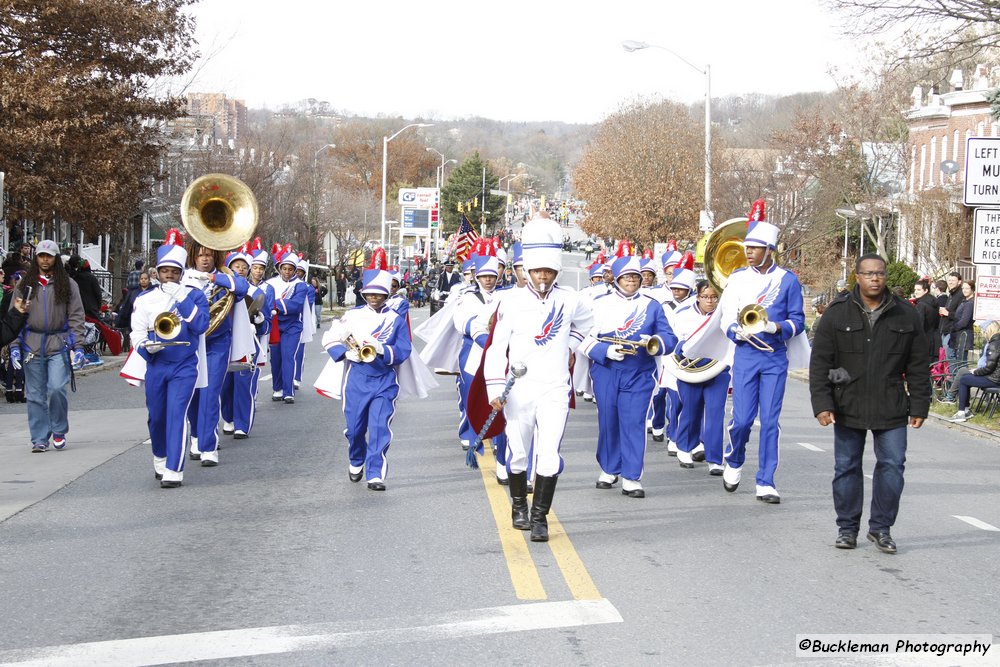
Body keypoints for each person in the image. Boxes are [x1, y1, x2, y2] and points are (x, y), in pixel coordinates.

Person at [482, 216, 594, 541]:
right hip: (519, 391)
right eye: (537, 270)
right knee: (517, 453)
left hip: (555, 388)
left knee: (548, 454)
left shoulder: (571, 299)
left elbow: (586, 327)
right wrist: (493, 387)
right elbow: (495, 348)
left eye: (549, 271)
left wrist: (571, 347)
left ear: (556, 271)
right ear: (527, 270)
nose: (543, 276)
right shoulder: (510, 301)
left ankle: (540, 516)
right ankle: (518, 504)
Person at [810, 253, 929, 554]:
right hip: (847, 405)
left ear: (886, 277)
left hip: (891, 405)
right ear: (857, 277)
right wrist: (822, 404)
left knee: (892, 467)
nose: (875, 279)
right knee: (846, 467)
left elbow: (917, 364)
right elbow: (820, 362)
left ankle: (881, 529)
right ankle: (847, 529)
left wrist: (919, 405)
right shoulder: (837, 313)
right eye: (868, 274)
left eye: (880, 274)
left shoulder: (906, 314)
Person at [710, 200, 806, 504]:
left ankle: (766, 480)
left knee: (770, 420)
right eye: (747, 247)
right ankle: (734, 458)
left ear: (770, 250)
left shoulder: (787, 280)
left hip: (774, 357)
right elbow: (725, 316)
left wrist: (774, 328)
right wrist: (733, 331)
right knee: (741, 420)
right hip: (745, 355)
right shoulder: (737, 278)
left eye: (755, 247)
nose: (748, 252)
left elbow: (798, 321)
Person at [582, 255, 673, 498]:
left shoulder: (653, 305)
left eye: (636, 276)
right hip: (607, 370)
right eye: (626, 277)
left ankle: (632, 476)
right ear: (617, 279)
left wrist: (654, 342)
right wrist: (605, 351)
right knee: (608, 420)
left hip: (639, 372)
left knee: (634, 422)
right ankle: (610, 468)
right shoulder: (598, 303)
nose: (632, 280)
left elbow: (669, 338)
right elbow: (582, 337)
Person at [127, 230, 210, 487]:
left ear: (182, 272)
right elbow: (137, 332)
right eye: (165, 272)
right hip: (156, 363)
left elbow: (201, 326)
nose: (170, 276)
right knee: (157, 416)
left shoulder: (194, 295)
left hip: (185, 364)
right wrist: (144, 348)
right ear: (158, 273)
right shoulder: (146, 298)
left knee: (177, 413)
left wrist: (181, 298)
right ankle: (160, 456)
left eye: (174, 272)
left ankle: (174, 469)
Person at [321, 268, 412, 491]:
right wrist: (345, 353)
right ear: (364, 294)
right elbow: (330, 337)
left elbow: (403, 350)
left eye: (379, 294)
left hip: (384, 379)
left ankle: (375, 474)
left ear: (385, 295)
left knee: (380, 427)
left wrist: (382, 348)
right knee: (354, 429)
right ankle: (356, 458)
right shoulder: (352, 315)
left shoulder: (395, 320)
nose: (374, 297)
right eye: (370, 293)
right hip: (357, 378)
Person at [9, 240, 86, 452]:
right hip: (31, 344)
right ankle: (39, 438)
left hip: (58, 344)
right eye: (41, 255)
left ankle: (59, 429)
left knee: (57, 389)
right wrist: (14, 345)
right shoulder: (25, 284)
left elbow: (77, 316)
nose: (45, 259)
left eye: (49, 256)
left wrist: (78, 346)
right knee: (34, 395)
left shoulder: (68, 284)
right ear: (36, 257)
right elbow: (14, 316)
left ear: (56, 258)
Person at [184, 238, 250, 466]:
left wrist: (212, 277)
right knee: (192, 393)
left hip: (217, 342)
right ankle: (195, 436)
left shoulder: (224, 278)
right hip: (191, 343)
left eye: (209, 255)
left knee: (211, 391)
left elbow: (242, 288)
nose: (204, 258)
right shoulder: (183, 279)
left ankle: (208, 446)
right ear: (193, 256)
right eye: (200, 254)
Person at [669, 280, 730, 475]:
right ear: (697, 297)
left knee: (715, 413)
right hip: (689, 371)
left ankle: (714, 458)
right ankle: (685, 447)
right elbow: (672, 342)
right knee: (690, 409)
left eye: (714, 297)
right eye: (705, 297)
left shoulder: (726, 317)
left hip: (717, 371)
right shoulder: (682, 315)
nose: (710, 301)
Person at [265, 248, 310, 403]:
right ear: (279, 268)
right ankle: (277, 388)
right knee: (275, 358)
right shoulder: (270, 284)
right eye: (284, 269)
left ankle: (288, 391)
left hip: (293, 326)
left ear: (295, 271)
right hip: (275, 326)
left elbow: (296, 305)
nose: (287, 272)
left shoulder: (301, 285)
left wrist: (274, 305)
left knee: (288, 356)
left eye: (290, 269)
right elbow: (263, 302)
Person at [947, 321, 1000, 422]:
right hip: (996, 377)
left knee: (964, 379)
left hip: (994, 379)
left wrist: (975, 372)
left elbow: (989, 368)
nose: (983, 333)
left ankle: (962, 412)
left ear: (989, 331)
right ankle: (965, 410)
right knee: (966, 378)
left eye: (984, 331)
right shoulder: (997, 342)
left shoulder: (994, 344)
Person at [912, 279, 939, 365]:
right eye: (915, 290)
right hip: (934, 340)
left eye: (919, 290)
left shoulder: (921, 305)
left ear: (926, 290)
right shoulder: (933, 302)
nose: (916, 292)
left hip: (924, 342)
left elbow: (919, 325)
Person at [949, 280, 975, 364]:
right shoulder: (965, 301)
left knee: (961, 363)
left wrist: (953, 327)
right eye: (963, 288)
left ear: (972, 289)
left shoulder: (970, 303)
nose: (964, 290)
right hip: (960, 335)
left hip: (963, 336)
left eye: (967, 288)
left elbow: (964, 321)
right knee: (959, 362)